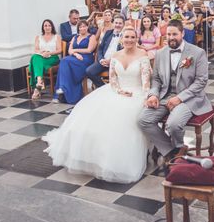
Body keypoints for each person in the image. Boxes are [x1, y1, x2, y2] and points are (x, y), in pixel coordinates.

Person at [43, 26, 151, 183]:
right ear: (122, 39)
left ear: (137, 39)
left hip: (137, 92)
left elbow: (146, 81)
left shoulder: (143, 55)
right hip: (117, 91)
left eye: (132, 37)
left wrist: (143, 96)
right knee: (94, 116)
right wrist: (119, 91)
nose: (129, 40)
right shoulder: (115, 55)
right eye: (126, 37)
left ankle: (121, 159)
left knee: (125, 117)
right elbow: (113, 79)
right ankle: (94, 157)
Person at [139, 20, 212, 164]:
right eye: (168, 34)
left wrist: (180, 98)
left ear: (182, 34)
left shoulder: (197, 53)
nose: (171, 37)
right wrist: (153, 94)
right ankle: (172, 150)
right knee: (143, 119)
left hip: (189, 98)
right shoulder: (160, 53)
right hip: (165, 95)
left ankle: (179, 146)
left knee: (173, 124)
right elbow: (157, 79)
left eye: (175, 34)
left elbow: (201, 81)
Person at [53, 20, 96, 104]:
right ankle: (63, 89)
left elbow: (89, 50)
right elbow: (69, 50)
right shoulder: (75, 37)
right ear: (78, 28)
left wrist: (75, 50)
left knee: (64, 61)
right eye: (80, 27)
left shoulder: (92, 37)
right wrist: (76, 54)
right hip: (75, 58)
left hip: (85, 59)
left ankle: (61, 91)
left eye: (84, 26)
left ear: (87, 27)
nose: (82, 28)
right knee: (64, 61)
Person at [85, 15, 124, 88]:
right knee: (89, 71)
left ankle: (115, 88)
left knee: (118, 77)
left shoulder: (125, 36)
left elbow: (124, 53)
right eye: (116, 23)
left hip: (116, 63)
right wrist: (101, 59)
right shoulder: (108, 33)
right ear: (113, 23)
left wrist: (111, 61)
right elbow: (100, 48)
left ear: (123, 25)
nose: (118, 25)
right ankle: (103, 88)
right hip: (103, 60)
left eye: (120, 23)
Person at [29, 19, 62, 100]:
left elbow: (59, 50)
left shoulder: (56, 37)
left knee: (34, 60)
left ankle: (38, 84)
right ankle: (39, 82)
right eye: (45, 26)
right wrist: (42, 52)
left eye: (49, 25)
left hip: (52, 58)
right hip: (41, 57)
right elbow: (36, 49)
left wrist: (49, 53)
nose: (47, 27)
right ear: (43, 27)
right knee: (35, 57)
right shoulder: (38, 37)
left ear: (52, 27)